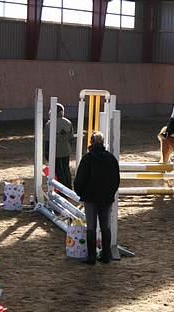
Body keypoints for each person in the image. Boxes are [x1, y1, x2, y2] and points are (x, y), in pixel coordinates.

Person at [74, 131, 120, 265]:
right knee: (106, 227)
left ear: (91, 142)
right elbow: (116, 180)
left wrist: (80, 193)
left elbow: (80, 180)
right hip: (106, 198)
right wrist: (110, 193)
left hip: (90, 198)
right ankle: (106, 255)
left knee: (91, 227)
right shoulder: (111, 159)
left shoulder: (87, 159)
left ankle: (91, 257)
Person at [44, 103, 74, 189]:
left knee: (58, 170)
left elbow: (47, 140)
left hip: (55, 151)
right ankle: (69, 187)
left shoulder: (49, 124)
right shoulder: (68, 122)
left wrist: (46, 152)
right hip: (66, 150)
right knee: (66, 169)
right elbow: (71, 138)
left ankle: (61, 189)